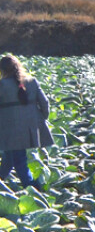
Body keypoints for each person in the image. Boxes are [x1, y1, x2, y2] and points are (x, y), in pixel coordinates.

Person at [0, 54, 53, 190]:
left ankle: (32, 187)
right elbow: (45, 103)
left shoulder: (2, 85)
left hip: (9, 128)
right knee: (9, 157)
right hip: (29, 127)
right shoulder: (32, 81)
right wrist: (40, 120)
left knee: (19, 160)